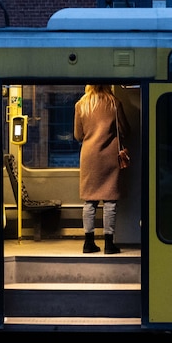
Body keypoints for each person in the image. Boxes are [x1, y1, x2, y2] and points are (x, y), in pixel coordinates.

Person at [74, 84, 129, 254]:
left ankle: (88, 243)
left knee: (89, 201)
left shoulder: (81, 104)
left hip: (89, 156)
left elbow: (78, 135)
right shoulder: (114, 102)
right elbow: (125, 130)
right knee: (110, 200)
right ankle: (109, 244)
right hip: (109, 156)